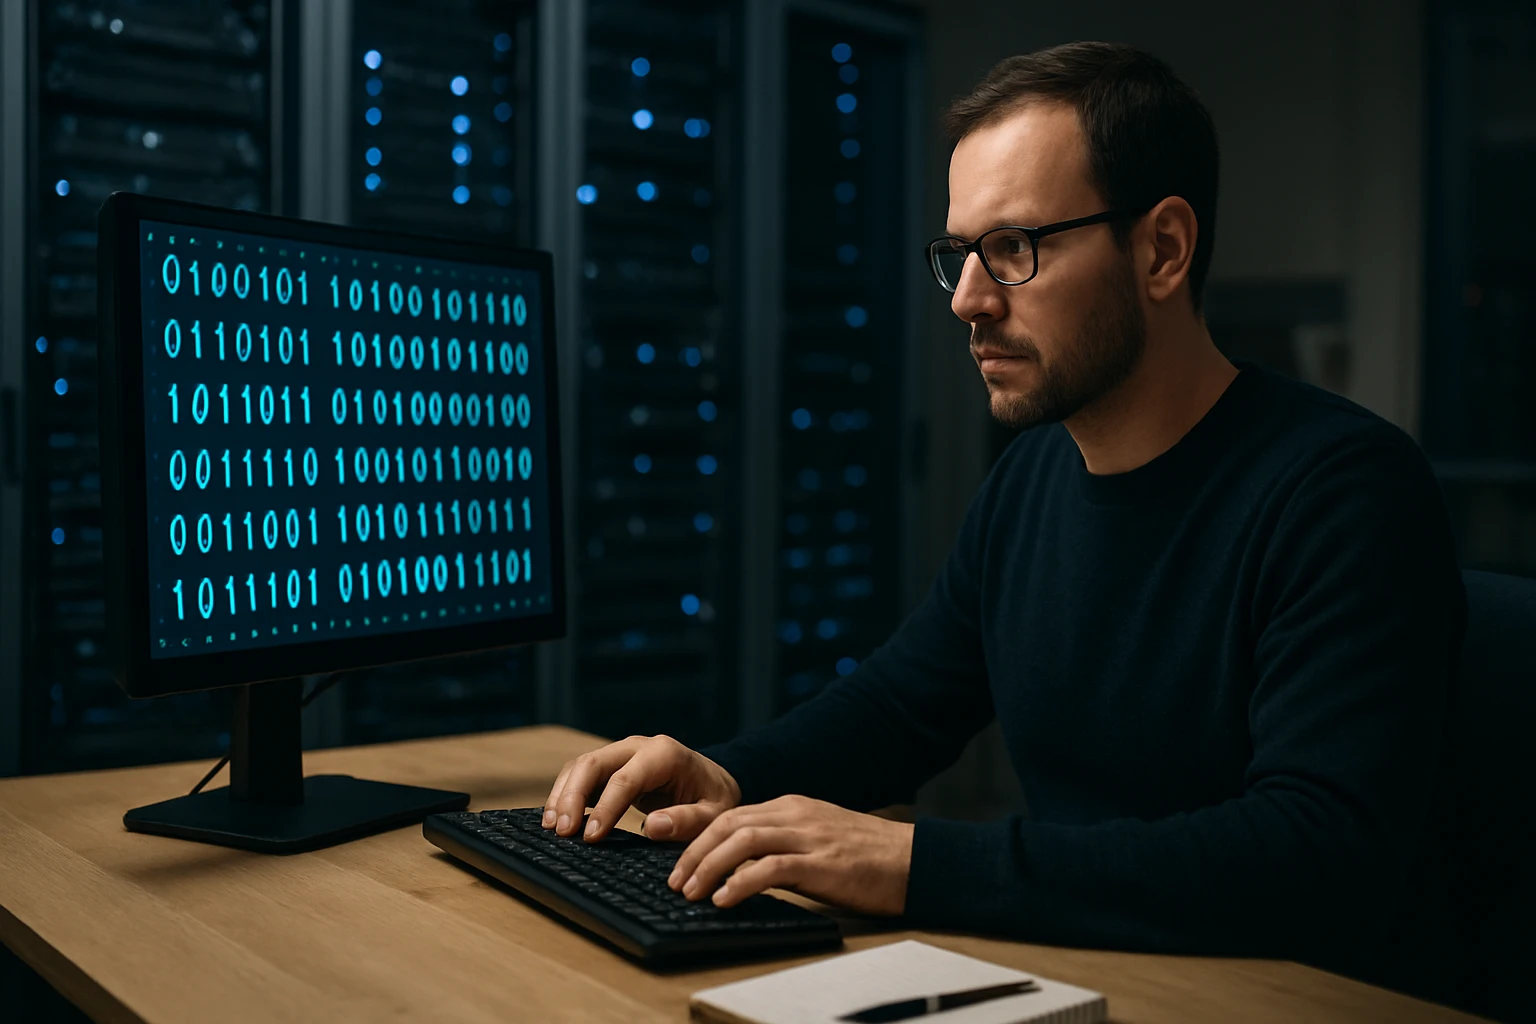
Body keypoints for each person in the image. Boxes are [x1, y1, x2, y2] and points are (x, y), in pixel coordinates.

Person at [541, 41, 1465, 983]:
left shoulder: (1344, 491)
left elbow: (1312, 856)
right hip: (1083, 974)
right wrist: (727, 775)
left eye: (1014, 249)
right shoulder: (1032, 479)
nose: (969, 300)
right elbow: (902, 706)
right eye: (959, 255)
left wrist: (914, 863)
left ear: (1163, 250)